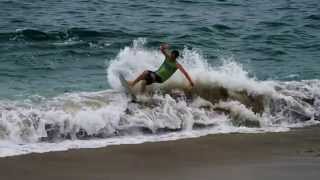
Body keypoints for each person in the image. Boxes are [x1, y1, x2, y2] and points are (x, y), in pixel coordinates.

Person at [128, 44, 194, 92]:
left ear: (175, 57)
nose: (171, 56)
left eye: (173, 56)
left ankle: (132, 84)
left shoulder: (177, 65)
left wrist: (191, 82)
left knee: (146, 72)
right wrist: (165, 46)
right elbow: (162, 49)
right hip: (155, 74)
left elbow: (185, 73)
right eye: (171, 54)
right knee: (144, 82)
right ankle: (142, 97)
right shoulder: (168, 57)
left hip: (161, 78)